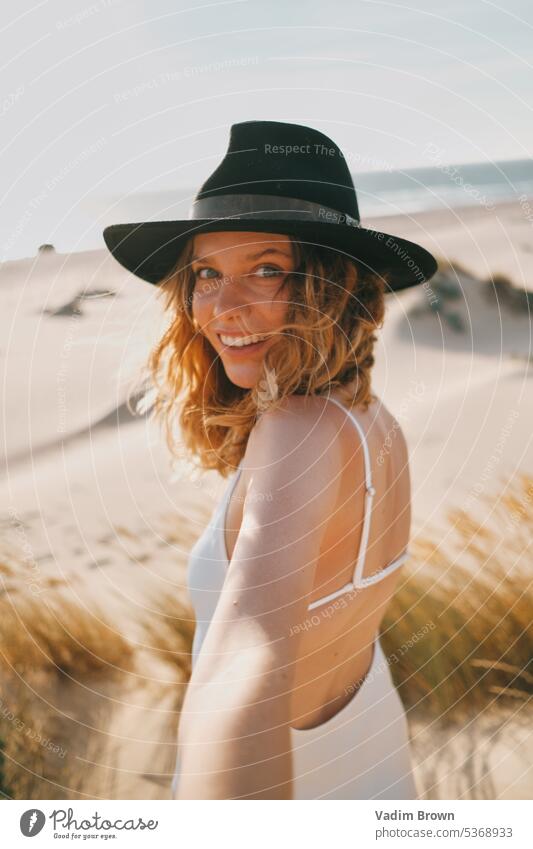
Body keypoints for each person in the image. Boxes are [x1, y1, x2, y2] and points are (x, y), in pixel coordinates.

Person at [103, 120, 437, 800]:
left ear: (331, 282)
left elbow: (243, 658)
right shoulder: (373, 420)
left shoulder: (296, 429)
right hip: (371, 767)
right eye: (205, 273)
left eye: (265, 269)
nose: (223, 307)